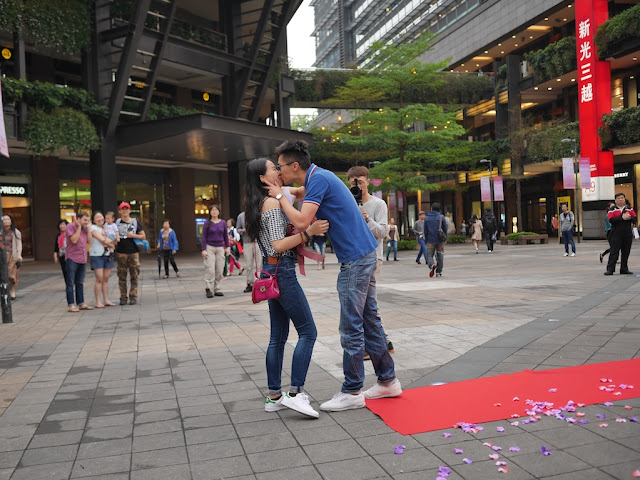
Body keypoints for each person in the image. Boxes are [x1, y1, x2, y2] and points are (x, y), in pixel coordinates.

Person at [264, 139, 401, 412]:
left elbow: (302, 222)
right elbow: (299, 189)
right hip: (364, 255)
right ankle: (387, 380)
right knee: (369, 320)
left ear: (294, 165)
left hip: (355, 259)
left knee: (351, 325)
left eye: (280, 166)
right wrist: (280, 189)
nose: (279, 171)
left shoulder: (319, 180)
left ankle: (352, 390)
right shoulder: (318, 176)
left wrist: (279, 196)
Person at [245, 157, 329, 418]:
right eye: (274, 169)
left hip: (271, 271)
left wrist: (288, 187)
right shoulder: (270, 203)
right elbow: (278, 245)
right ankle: (295, 394)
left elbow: (301, 190)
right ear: (262, 178)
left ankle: (273, 396)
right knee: (308, 332)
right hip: (281, 270)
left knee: (278, 338)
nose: (278, 171)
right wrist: (309, 232)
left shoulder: (268, 198)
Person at [347, 165, 394, 354]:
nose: (357, 185)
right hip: (353, 258)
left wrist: (366, 219)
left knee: (366, 301)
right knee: (364, 302)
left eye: (360, 181)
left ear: (367, 181)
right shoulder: (348, 203)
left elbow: (382, 232)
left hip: (373, 258)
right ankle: (382, 341)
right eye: (353, 182)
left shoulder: (378, 204)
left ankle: (378, 343)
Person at [115, 202, 146, 305]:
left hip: (133, 252)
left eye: (126, 209)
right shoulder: (117, 223)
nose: (124, 211)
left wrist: (133, 236)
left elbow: (143, 236)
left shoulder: (135, 222)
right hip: (121, 252)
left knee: (135, 275)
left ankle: (133, 295)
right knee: (121, 275)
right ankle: (123, 297)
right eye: (122, 209)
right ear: (119, 211)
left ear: (129, 210)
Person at [65, 212, 92, 312]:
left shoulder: (86, 229)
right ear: (78, 219)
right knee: (70, 282)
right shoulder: (70, 227)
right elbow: (74, 240)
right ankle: (71, 304)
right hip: (72, 258)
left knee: (80, 282)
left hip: (82, 258)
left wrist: (88, 229)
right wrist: (79, 228)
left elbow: (89, 241)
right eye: (85, 220)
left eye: (88, 220)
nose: (87, 222)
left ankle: (81, 303)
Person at [201, 204, 230, 297]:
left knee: (220, 269)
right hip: (210, 247)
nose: (214, 212)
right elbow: (203, 237)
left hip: (220, 248)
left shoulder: (223, 223)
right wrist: (203, 249)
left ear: (219, 212)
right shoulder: (207, 223)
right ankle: (208, 288)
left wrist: (228, 247)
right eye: (212, 210)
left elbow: (226, 236)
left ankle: (217, 288)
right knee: (210, 269)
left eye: (216, 210)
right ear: (210, 212)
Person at [605, 193, 636, 275]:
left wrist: (629, 218)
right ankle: (610, 269)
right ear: (615, 200)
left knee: (626, 251)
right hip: (616, 233)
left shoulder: (629, 209)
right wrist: (622, 218)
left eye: (622, 198)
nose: (620, 199)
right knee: (614, 251)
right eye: (618, 198)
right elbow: (611, 219)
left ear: (625, 199)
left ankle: (624, 268)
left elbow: (635, 218)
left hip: (627, 233)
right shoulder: (612, 209)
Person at [89, 211, 116, 308]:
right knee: (99, 278)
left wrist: (110, 243)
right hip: (96, 255)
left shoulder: (107, 227)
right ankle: (98, 301)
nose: (100, 219)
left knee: (106, 278)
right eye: (97, 217)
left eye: (101, 217)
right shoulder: (92, 228)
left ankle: (106, 300)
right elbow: (102, 239)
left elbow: (115, 240)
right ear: (93, 220)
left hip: (108, 255)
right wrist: (110, 243)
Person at [424, 203, 447, 277]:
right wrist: (445, 238)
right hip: (440, 239)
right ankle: (438, 272)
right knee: (440, 255)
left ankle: (432, 265)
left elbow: (425, 230)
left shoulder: (427, 218)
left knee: (429, 255)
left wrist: (426, 239)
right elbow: (445, 229)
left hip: (430, 240)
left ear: (431, 208)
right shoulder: (441, 217)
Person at [3, 215, 22, 300]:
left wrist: (19, 255)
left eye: (8, 219)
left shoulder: (15, 232)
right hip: (2, 256)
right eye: (4, 219)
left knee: (11, 275)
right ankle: (5, 291)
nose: (6, 221)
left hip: (12, 256)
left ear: (11, 221)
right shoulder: (1, 232)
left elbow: (19, 244)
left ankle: (12, 289)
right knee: (3, 274)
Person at [236, 211, 255, 293]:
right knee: (249, 264)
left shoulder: (257, 213)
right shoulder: (241, 216)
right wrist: (243, 230)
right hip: (247, 242)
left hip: (258, 242)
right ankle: (250, 283)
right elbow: (237, 229)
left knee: (259, 264)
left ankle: (260, 283)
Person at [54, 219, 69, 286]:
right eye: (61, 224)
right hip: (62, 255)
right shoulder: (58, 235)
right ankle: (68, 284)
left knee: (70, 270)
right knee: (65, 270)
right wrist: (55, 255)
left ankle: (70, 283)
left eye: (63, 224)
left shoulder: (69, 234)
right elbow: (56, 247)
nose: (62, 226)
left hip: (69, 255)